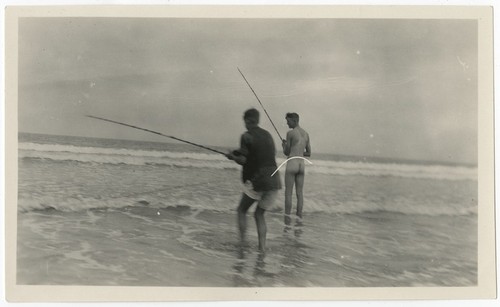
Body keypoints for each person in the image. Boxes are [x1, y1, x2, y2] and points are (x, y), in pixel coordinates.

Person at [226, 108, 281, 252]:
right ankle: (262, 249)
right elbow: (263, 153)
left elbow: (243, 160)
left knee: (241, 210)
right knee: (259, 214)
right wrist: (237, 152)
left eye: (245, 122)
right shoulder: (268, 135)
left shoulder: (246, 136)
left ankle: (242, 244)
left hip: (259, 180)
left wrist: (233, 157)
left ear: (247, 121)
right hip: (275, 180)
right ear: (258, 120)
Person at [281, 112, 311, 228]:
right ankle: (299, 218)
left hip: (292, 163)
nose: (287, 123)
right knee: (299, 193)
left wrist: (284, 145)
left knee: (288, 193)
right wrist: (298, 152)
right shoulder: (306, 134)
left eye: (288, 121)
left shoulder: (290, 133)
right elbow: (308, 153)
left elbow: (286, 152)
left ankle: (287, 219)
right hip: (301, 165)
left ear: (294, 120)